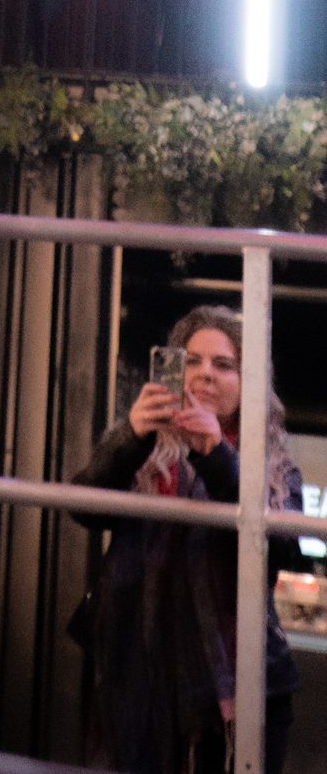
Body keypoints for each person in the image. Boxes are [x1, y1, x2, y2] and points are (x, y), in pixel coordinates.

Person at [73, 305, 302, 774]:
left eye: (224, 365)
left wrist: (217, 454)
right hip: (139, 676)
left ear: (249, 381)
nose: (205, 376)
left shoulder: (271, 459)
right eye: (192, 361)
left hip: (240, 690)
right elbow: (84, 507)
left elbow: (282, 546)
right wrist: (131, 438)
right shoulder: (144, 443)